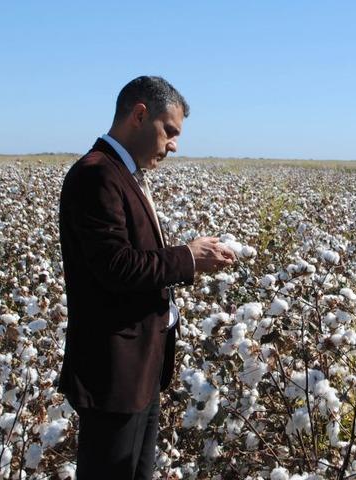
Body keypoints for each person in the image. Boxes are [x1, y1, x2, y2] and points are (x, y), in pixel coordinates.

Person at [57, 76, 236, 479]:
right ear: (140, 115)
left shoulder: (122, 173)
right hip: (114, 374)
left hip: (140, 370)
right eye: (169, 131)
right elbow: (117, 266)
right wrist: (189, 257)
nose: (174, 145)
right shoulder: (96, 174)